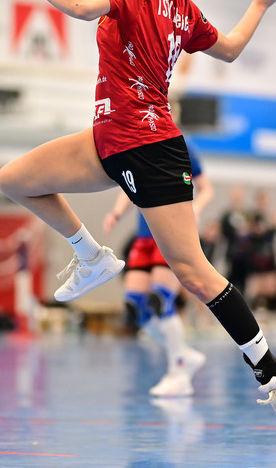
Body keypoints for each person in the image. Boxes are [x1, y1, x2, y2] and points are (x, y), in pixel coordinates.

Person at [0, 0, 276, 438]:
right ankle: (91, 256)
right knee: (15, 179)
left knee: (191, 270)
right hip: (107, 137)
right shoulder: (180, 3)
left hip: (149, 144)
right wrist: (258, 3)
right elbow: (230, 49)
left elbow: (80, 5)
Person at [103, 138, 213, 397]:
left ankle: (179, 371)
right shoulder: (139, 142)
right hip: (144, 236)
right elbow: (130, 184)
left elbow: (206, 187)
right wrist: (117, 212)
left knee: (160, 300)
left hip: (172, 231)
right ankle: (183, 353)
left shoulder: (182, 145)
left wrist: (196, 208)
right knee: (135, 307)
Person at [219, 186, 254, 296]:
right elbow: (224, 230)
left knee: (243, 281)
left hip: (245, 255)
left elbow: (253, 231)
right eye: (236, 197)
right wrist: (237, 231)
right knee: (231, 279)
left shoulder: (247, 214)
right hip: (232, 253)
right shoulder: (227, 215)